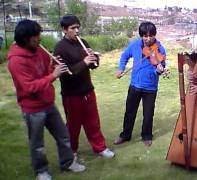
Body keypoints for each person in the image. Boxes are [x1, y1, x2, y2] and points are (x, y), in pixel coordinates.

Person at [7, 19, 85, 180]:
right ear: (26, 38)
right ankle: (41, 172)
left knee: (63, 136)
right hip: (32, 109)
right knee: (37, 145)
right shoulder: (16, 61)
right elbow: (29, 87)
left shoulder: (39, 49)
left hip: (48, 103)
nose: (40, 38)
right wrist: (53, 75)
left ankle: (68, 162)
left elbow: (46, 70)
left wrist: (54, 66)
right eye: (36, 36)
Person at [54, 15, 114, 158]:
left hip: (87, 90)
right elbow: (66, 72)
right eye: (73, 28)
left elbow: (93, 66)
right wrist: (84, 62)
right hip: (71, 93)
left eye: (78, 27)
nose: (77, 31)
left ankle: (100, 147)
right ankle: (72, 151)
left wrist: (94, 59)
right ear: (64, 30)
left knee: (93, 122)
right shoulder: (60, 48)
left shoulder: (83, 42)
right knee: (73, 126)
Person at [114, 21, 166, 147]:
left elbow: (160, 66)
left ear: (155, 35)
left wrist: (159, 71)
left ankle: (147, 136)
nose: (148, 39)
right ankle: (125, 135)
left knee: (148, 114)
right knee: (130, 112)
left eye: (151, 36)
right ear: (141, 36)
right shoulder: (135, 45)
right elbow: (124, 56)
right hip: (135, 85)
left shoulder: (159, 48)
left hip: (150, 88)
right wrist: (121, 68)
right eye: (145, 36)